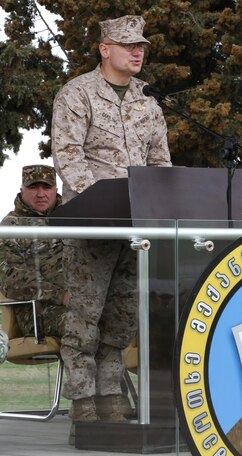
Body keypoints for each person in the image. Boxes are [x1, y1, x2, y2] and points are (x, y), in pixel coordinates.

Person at [51, 14, 172, 430]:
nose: (137, 52)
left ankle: (111, 397)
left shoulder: (148, 101)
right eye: (128, 45)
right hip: (94, 222)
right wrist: (100, 202)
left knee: (121, 318)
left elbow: (160, 164)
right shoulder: (78, 93)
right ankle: (83, 403)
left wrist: (156, 207)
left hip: (136, 228)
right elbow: (68, 155)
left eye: (141, 46)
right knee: (85, 317)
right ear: (106, 49)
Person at [0, 165, 67, 340]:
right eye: (33, 187)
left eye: (46, 187)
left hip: (87, 303)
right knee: (82, 326)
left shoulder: (73, 218)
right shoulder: (12, 226)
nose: (40, 194)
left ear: (56, 190)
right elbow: (10, 280)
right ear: (22, 190)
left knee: (125, 320)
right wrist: (61, 296)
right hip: (38, 312)